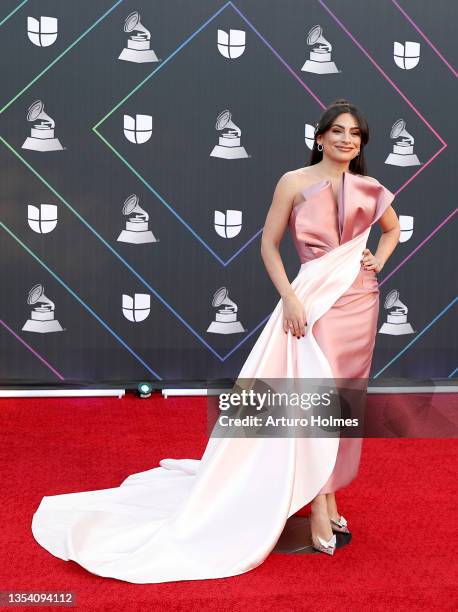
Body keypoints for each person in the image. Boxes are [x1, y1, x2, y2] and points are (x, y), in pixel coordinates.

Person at [31, 99, 400, 582]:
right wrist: (289, 297)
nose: (346, 139)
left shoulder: (372, 189)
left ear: (362, 142)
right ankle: (317, 507)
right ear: (320, 137)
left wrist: (377, 259)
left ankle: (326, 497)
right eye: (337, 131)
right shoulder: (293, 182)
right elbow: (268, 244)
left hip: (360, 302)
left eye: (354, 133)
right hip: (313, 301)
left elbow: (390, 232)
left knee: (342, 402)